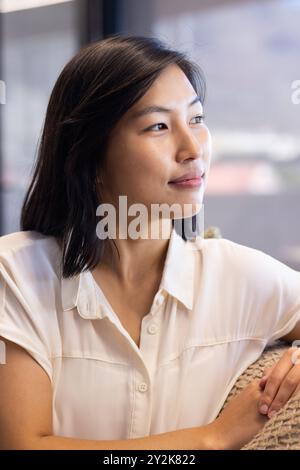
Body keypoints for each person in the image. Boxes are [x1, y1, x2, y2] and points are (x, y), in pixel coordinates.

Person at [0, 35, 300, 451]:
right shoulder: (15, 274)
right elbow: (23, 445)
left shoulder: (237, 275)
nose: (193, 148)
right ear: (90, 157)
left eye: (196, 119)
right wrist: (210, 439)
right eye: (158, 126)